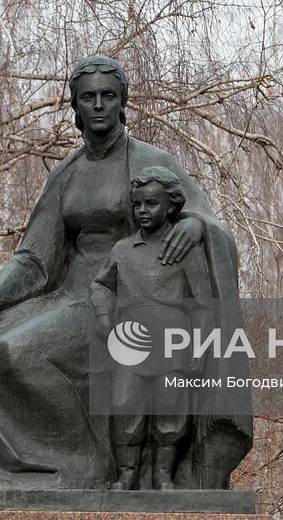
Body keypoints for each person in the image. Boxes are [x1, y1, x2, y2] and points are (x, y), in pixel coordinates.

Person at [0, 55, 250, 490]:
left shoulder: (151, 161)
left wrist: (196, 225)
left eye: (108, 96)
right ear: (75, 107)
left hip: (124, 298)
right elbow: (34, 257)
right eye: (89, 98)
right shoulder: (66, 173)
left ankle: (77, 468)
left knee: (15, 352)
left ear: (123, 103)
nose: (99, 105)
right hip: (68, 294)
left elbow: (209, 220)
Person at [91, 165, 215, 492]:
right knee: (124, 405)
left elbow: (202, 304)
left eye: (151, 204)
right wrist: (105, 321)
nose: (143, 211)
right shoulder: (121, 250)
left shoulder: (185, 250)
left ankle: (163, 475)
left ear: (171, 206)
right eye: (137, 205)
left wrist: (200, 347)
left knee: (170, 408)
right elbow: (101, 286)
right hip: (130, 342)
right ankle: (127, 473)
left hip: (173, 341)